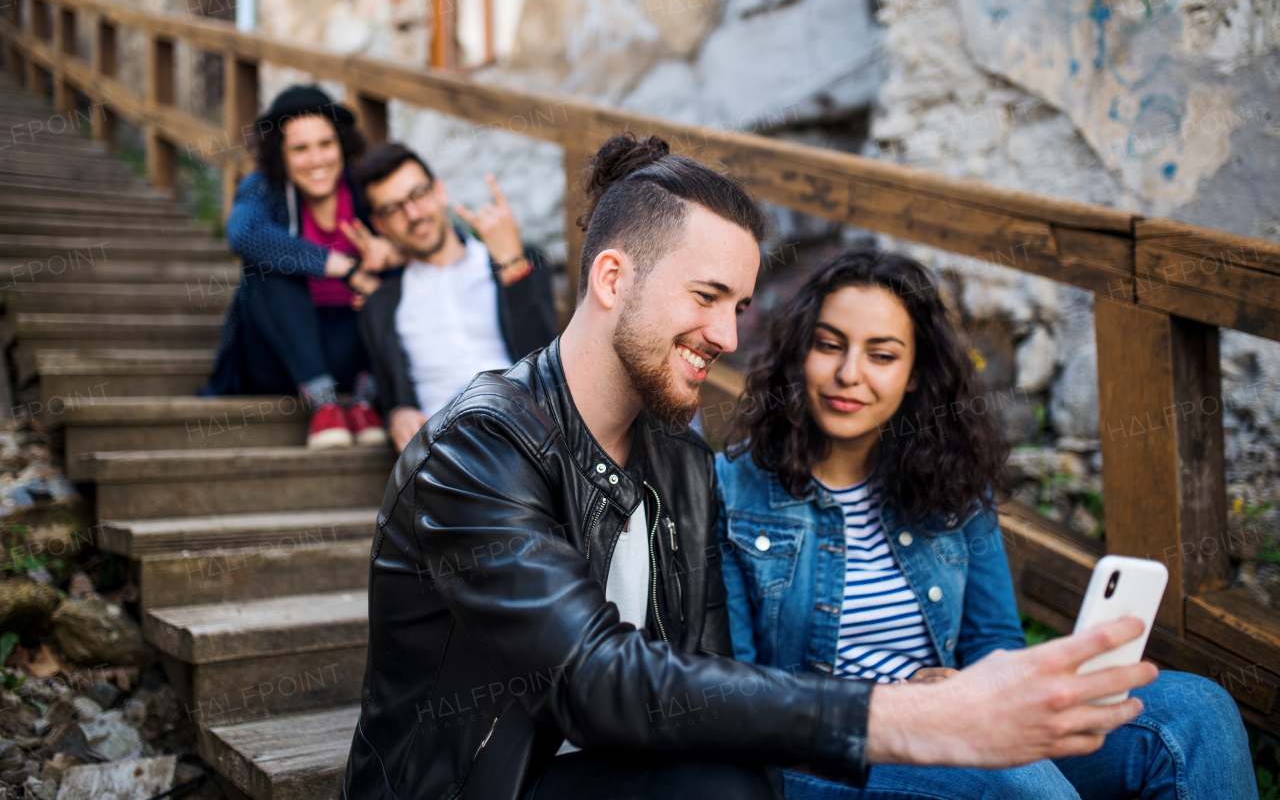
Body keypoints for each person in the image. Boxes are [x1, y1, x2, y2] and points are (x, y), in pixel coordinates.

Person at [343, 135, 1158, 800]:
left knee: (1178, 719)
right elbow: (592, 680)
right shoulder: (479, 449)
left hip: (621, 771)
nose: (730, 335)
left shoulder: (678, 458)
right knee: (723, 788)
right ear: (612, 276)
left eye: (738, 305)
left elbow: (704, 681)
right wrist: (910, 715)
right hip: (473, 788)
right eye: (707, 296)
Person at [716, 248, 1256, 799]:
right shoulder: (732, 490)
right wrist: (905, 703)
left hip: (959, 724)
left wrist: (970, 690)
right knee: (1017, 783)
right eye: (829, 345)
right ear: (798, 354)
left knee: (1196, 713)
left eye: (882, 356)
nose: (849, 374)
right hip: (820, 757)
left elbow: (993, 642)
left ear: (914, 376)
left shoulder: (950, 479)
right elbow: (739, 689)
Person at [205, 85, 387, 449]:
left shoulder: (364, 188)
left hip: (353, 347)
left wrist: (392, 252)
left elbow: (425, 235)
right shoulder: (264, 186)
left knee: (402, 270)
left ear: (342, 145)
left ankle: (367, 403)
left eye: (326, 144)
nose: (316, 159)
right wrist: (341, 266)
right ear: (281, 155)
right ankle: (324, 406)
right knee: (263, 269)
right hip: (279, 358)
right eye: (300, 148)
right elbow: (243, 233)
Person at [348, 143, 558, 452]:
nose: (414, 214)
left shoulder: (513, 260)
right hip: (448, 450)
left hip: (528, 432)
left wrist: (512, 268)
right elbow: (391, 395)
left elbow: (551, 370)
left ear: (440, 191)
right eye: (394, 209)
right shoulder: (380, 306)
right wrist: (397, 413)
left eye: (418, 194)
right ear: (380, 225)